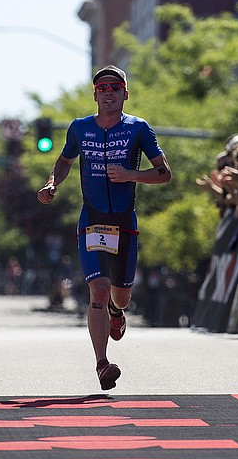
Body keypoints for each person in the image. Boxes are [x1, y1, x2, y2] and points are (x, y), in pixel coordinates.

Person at [37, 66, 171, 391]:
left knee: (120, 296)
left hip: (125, 222)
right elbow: (65, 160)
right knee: (98, 288)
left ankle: (116, 310)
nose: (108, 92)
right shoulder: (80, 128)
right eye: (102, 87)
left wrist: (131, 175)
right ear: (95, 94)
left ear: (125, 93)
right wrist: (52, 182)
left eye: (115, 87)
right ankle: (102, 364)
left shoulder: (139, 128)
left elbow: (164, 173)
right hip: (93, 220)